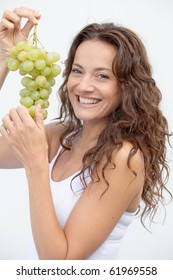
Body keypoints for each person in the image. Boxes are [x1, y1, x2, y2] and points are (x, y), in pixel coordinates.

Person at [0, 7, 172, 260]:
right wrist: (4, 59)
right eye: (77, 71)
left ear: (128, 86)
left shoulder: (122, 158)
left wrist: (36, 164)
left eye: (102, 75)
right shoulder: (62, 136)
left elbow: (61, 265)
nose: (83, 86)